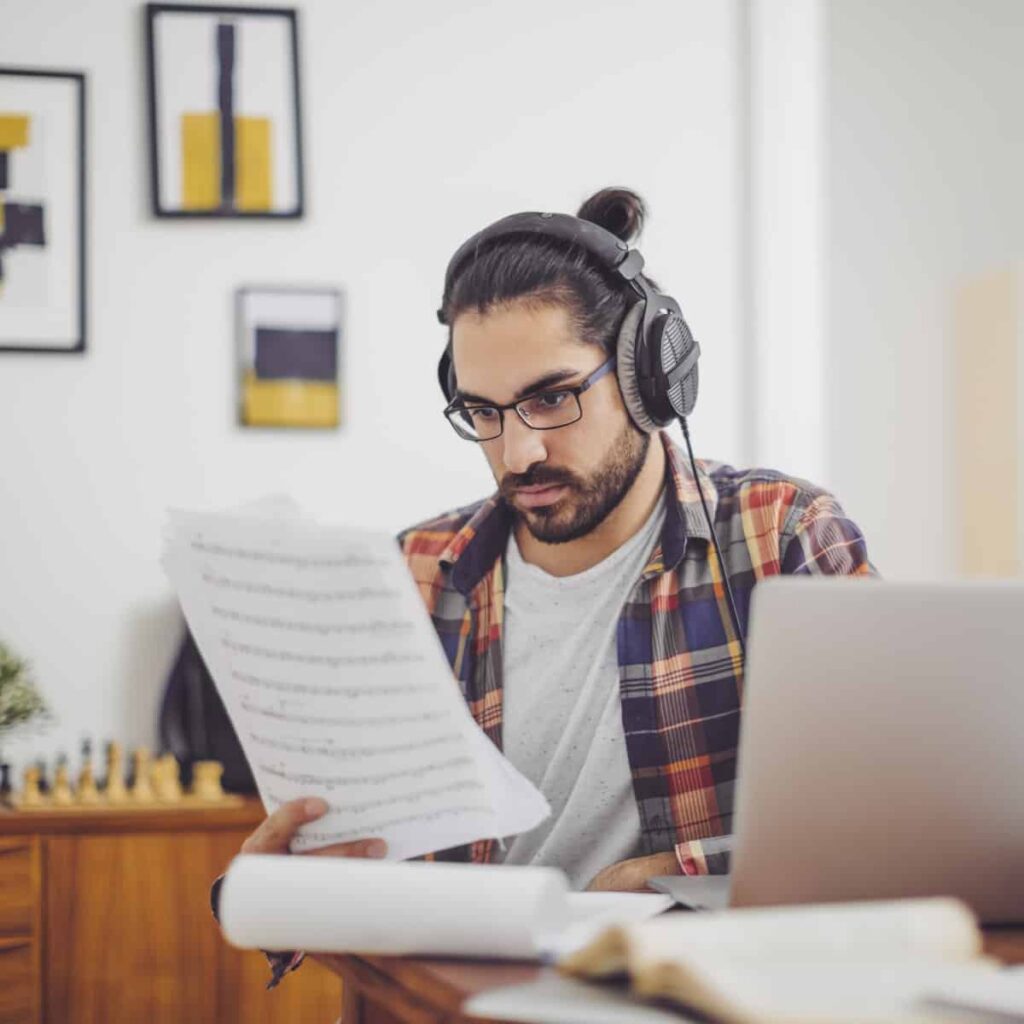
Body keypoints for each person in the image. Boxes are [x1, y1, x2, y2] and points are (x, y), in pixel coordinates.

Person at [224, 186, 874, 987]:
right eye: (482, 412)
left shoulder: (779, 537)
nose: (517, 451)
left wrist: (672, 877)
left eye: (551, 398)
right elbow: (360, 861)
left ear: (649, 377)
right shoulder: (415, 573)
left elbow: (888, 834)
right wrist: (282, 887)